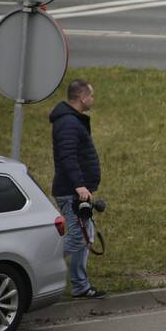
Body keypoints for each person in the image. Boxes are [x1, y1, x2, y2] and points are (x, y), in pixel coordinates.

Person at [49, 78, 105, 299]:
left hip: (79, 192)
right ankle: (41, 263)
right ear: (82, 98)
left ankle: (81, 286)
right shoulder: (68, 123)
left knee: (86, 235)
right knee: (78, 238)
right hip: (72, 191)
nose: (92, 99)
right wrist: (79, 185)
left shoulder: (72, 120)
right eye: (90, 95)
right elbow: (68, 156)